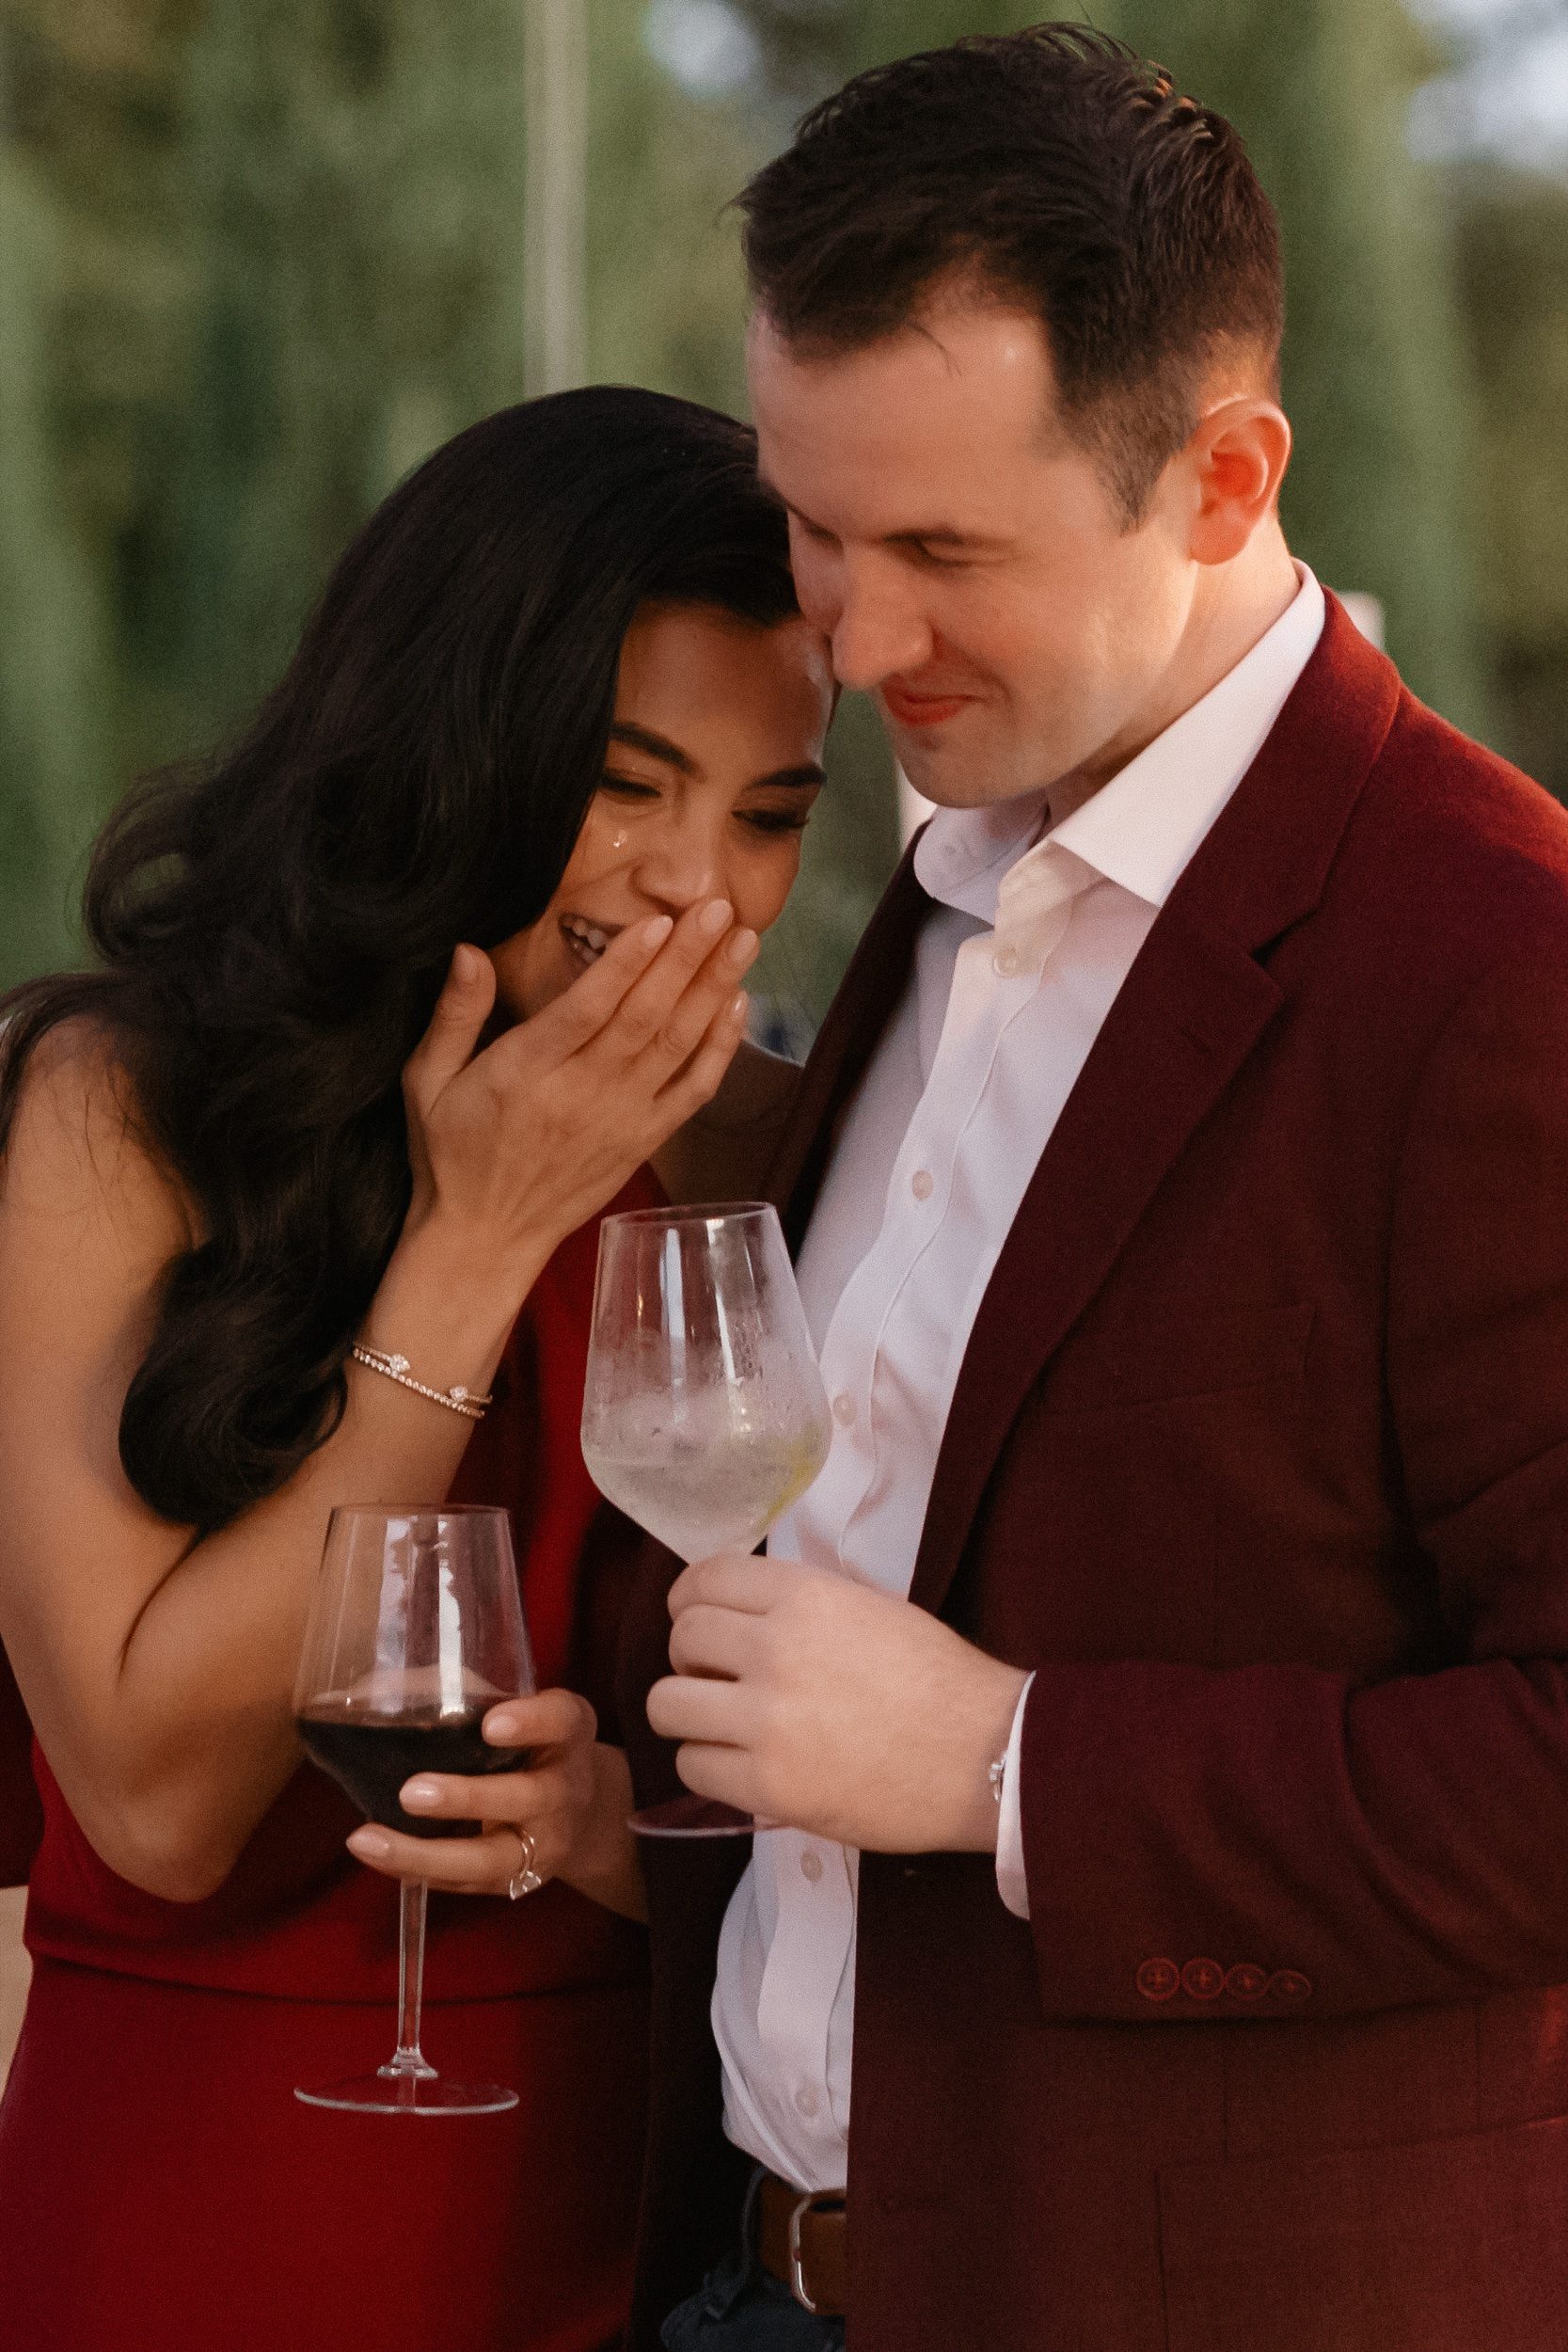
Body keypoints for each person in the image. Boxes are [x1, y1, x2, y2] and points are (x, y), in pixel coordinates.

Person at [617, 27, 1568, 2352]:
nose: (853, 643)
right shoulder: (947, 882)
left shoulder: (1500, 963)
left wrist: (1007, 1763)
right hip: (753, 2280)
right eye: (817, 531)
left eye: (944, 548)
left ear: (1226, 477)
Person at [0, 386, 832, 2352]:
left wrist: (630, 1838)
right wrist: (475, 1242)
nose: (694, 889)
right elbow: (152, 1802)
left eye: (774, 813)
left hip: (617, 2211)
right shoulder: (120, 1112)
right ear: (461, 741)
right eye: (628, 784)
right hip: (198, 2204)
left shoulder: (783, 1153)